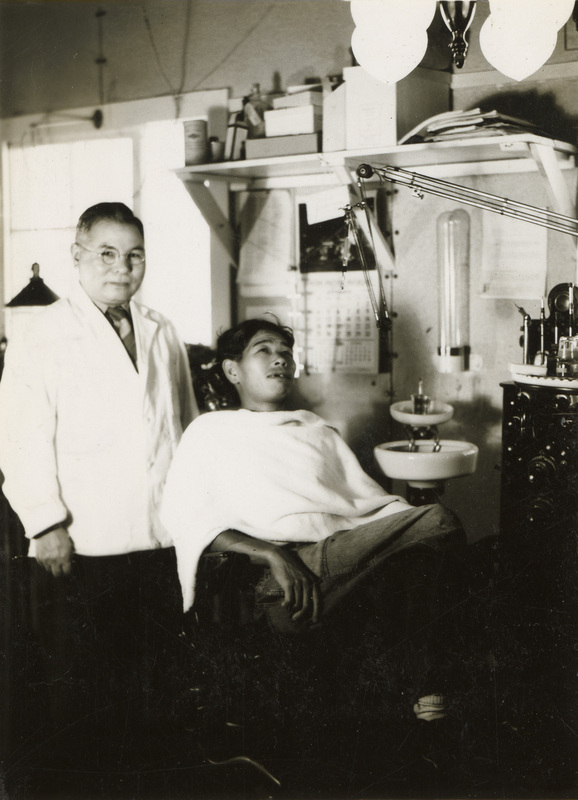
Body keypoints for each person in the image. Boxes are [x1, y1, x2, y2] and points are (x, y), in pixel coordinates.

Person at [161, 318, 468, 731]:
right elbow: (185, 518)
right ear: (232, 370)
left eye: (286, 352)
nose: (280, 360)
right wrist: (271, 554)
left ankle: (427, 706)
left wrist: (397, 530)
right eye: (264, 350)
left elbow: (364, 504)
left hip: (338, 560)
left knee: (424, 555)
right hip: (278, 587)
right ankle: (429, 697)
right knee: (438, 520)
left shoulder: (316, 430)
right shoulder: (210, 432)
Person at [0, 202, 198, 780]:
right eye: (107, 253)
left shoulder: (161, 329)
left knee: (155, 683)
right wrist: (46, 524)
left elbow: (184, 426)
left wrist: (195, 514)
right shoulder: (43, 332)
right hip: (82, 540)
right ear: (78, 256)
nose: (122, 267)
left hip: (160, 535)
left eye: (134, 255)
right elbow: (20, 436)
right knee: (83, 688)